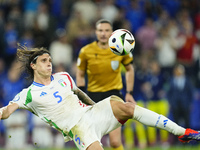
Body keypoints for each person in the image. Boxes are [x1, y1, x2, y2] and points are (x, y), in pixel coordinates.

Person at [0, 46, 200, 150]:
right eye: (44, 61)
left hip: (92, 113)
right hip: (78, 128)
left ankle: (182, 132)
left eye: (50, 60)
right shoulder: (27, 94)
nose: (49, 63)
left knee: (127, 107)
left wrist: (96, 107)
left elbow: (78, 92)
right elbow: (7, 111)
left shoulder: (63, 77)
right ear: (33, 66)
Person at [76, 19, 135, 150]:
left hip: (114, 95)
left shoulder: (120, 48)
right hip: (92, 98)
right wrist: (80, 97)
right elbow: (80, 74)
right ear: (95, 32)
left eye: (107, 30)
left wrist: (129, 93)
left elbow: (130, 69)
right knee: (92, 141)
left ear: (112, 32)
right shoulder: (86, 51)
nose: (103, 33)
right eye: (100, 30)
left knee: (114, 142)